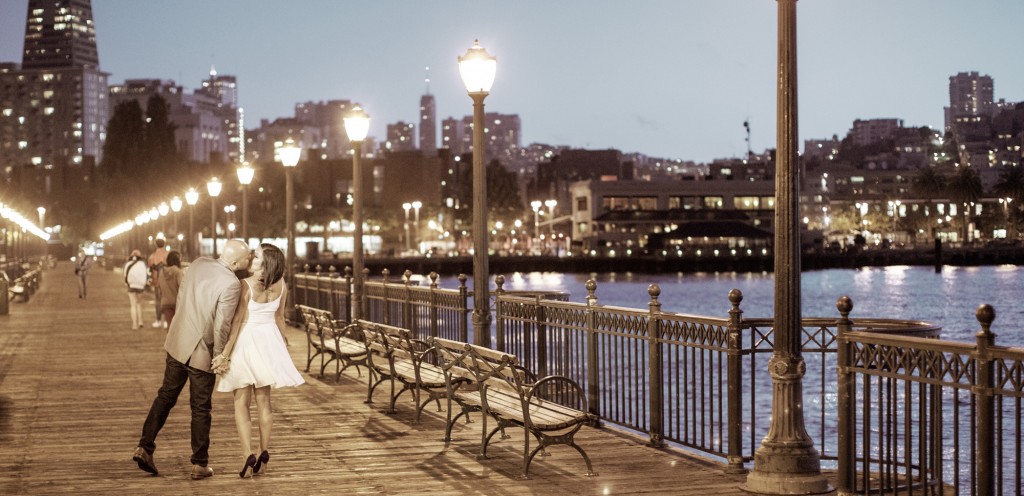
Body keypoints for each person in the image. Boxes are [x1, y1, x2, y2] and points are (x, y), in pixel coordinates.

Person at [132, 239, 251, 480]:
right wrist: (220, 357)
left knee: (165, 395)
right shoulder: (231, 283)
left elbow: (182, 299)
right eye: (248, 257)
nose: (250, 261)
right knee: (200, 408)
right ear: (237, 262)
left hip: (178, 340)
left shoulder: (197, 264)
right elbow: (221, 325)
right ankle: (199, 464)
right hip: (201, 352)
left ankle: (144, 447)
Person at [214, 243, 304, 478]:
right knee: (264, 402)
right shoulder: (281, 285)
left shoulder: (245, 285)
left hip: (245, 342)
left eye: (257, 257)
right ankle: (264, 451)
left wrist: (225, 353)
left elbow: (236, 323)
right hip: (268, 341)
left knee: (241, 402)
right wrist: (282, 345)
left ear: (266, 263)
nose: (252, 258)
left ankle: (247, 455)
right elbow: (279, 317)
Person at [158, 250, 184, 327]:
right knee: (178, 328)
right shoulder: (178, 272)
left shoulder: (161, 272)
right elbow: (182, 287)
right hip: (177, 303)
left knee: (170, 328)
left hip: (165, 303)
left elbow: (160, 288)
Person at [124, 250, 149, 329]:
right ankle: (140, 321)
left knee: (133, 305)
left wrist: (127, 283)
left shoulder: (128, 264)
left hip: (131, 285)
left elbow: (125, 275)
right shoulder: (142, 264)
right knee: (139, 303)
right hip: (140, 286)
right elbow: (146, 274)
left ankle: (134, 324)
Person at [148, 238, 169, 328]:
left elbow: (150, 270)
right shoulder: (168, 255)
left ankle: (158, 320)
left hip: (156, 281)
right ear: (164, 244)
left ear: (156, 245)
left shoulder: (152, 256)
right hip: (167, 281)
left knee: (158, 301)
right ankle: (166, 321)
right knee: (166, 300)